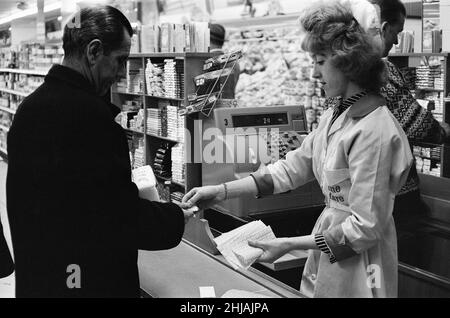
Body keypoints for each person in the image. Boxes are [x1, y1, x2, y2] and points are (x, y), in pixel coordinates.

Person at [182, 0, 413, 297]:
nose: (315, 74)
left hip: (362, 261)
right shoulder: (337, 115)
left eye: (319, 61)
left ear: (347, 61)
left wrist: (290, 244)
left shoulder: (375, 131)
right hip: (330, 246)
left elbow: (365, 228)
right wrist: (221, 191)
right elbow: (292, 168)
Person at [6, 6, 194, 298]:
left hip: (43, 278)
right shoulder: (91, 119)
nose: (121, 73)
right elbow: (117, 217)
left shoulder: (28, 110)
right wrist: (173, 217)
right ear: (94, 52)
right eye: (120, 60)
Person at [339, 0, 450, 229]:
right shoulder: (379, 70)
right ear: (383, 27)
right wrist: (441, 131)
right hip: (392, 194)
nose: (397, 40)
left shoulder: (341, 72)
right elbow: (415, 124)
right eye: (396, 32)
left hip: (352, 191)